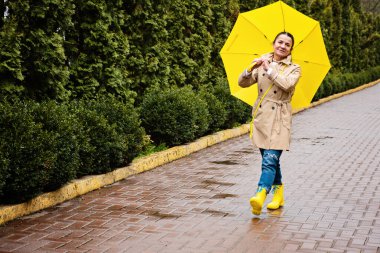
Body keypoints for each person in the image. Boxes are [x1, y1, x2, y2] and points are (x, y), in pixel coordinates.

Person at [238, 32, 301, 215]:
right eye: (280, 42)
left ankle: (261, 193)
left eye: (287, 44)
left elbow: (287, 85)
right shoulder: (262, 61)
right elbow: (243, 83)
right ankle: (278, 193)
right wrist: (251, 68)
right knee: (271, 160)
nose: (282, 46)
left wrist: (270, 69)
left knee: (270, 160)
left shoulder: (294, 68)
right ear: (273, 43)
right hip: (262, 117)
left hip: (280, 118)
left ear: (290, 49)